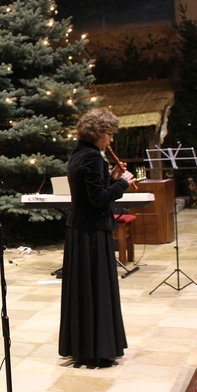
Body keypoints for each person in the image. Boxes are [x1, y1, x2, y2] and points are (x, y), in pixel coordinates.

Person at [58, 108, 135, 368]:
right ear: (99, 133)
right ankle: (96, 349)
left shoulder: (79, 154)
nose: (111, 140)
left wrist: (110, 178)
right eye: (110, 134)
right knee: (95, 289)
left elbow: (93, 189)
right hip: (91, 232)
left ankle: (83, 345)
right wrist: (122, 183)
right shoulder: (92, 158)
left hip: (80, 230)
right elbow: (98, 199)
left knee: (84, 290)